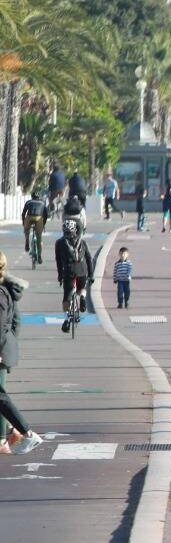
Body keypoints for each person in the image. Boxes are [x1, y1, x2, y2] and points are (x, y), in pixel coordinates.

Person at [0, 253, 46, 454]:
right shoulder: (6, 290)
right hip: (4, 348)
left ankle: (24, 433)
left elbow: (0, 326)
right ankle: (15, 432)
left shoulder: (1, 293)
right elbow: (16, 322)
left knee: (1, 397)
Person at [54, 218, 93, 332]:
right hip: (82, 271)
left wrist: (60, 276)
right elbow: (89, 258)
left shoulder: (59, 243)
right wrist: (91, 274)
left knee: (67, 297)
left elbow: (58, 261)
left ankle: (66, 319)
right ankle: (82, 297)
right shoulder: (82, 242)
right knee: (81, 288)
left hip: (69, 272)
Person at [20, 191, 45, 268]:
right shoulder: (42, 203)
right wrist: (43, 224)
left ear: (32, 196)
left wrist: (24, 222)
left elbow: (24, 213)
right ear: (39, 197)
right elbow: (46, 214)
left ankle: (27, 240)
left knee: (27, 230)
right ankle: (39, 256)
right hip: (39, 218)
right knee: (39, 237)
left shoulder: (28, 202)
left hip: (29, 217)